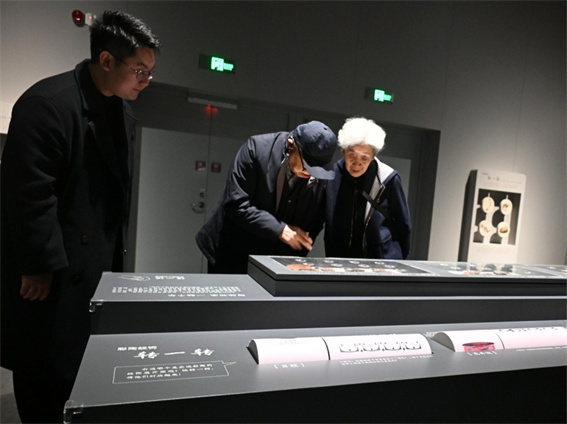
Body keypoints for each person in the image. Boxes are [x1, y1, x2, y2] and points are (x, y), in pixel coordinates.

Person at [0, 11, 160, 423]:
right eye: (139, 70)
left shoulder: (122, 112)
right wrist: (38, 265)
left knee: (84, 379)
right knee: (44, 375)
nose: (146, 80)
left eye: (149, 71)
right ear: (106, 60)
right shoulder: (47, 104)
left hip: (94, 267)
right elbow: (29, 193)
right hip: (51, 274)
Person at [196, 121, 338, 274]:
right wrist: (279, 229)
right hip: (232, 248)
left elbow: (314, 221)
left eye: (318, 170)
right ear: (291, 145)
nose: (310, 174)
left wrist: (297, 257)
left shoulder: (320, 173)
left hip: (275, 259)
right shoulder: (256, 149)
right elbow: (236, 204)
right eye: (307, 166)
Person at [324, 117, 411, 259]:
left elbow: (403, 225)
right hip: (340, 259)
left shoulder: (388, 178)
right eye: (352, 155)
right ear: (343, 152)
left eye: (364, 158)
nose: (357, 163)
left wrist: (398, 261)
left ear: (372, 157)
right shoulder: (331, 177)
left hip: (381, 260)